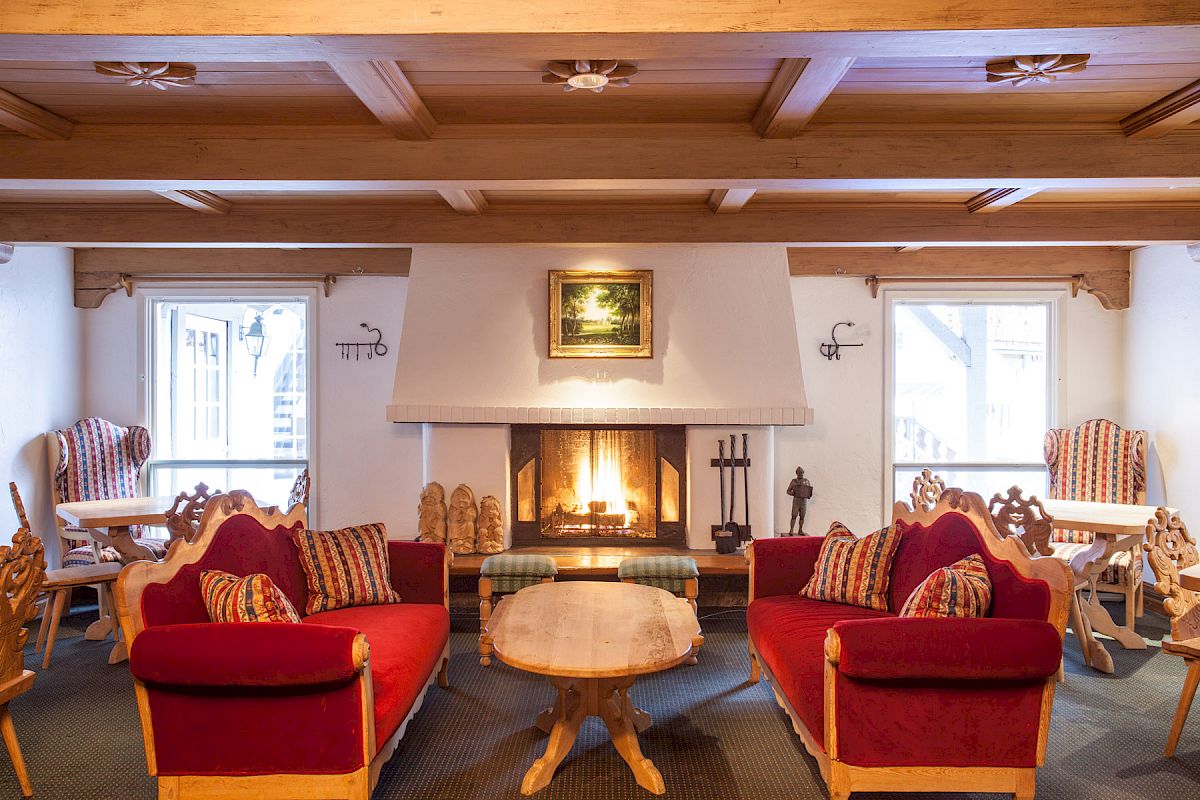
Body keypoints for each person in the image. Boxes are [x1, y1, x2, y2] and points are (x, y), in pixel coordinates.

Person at [786, 467, 813, 536]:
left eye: (801, 473)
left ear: (803, 473)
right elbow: (788, 491)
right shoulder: (794, 481)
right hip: (796, 501)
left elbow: (809, 491)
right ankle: (791, 529)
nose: (800, 474)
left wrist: (809, 494)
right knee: (794, 515)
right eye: (799, 473)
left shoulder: (806, 481)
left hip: (803, 501)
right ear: (796, 473)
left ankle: (800, 530)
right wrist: (793, 493)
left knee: (802, 516)